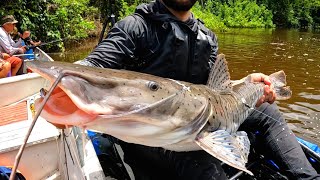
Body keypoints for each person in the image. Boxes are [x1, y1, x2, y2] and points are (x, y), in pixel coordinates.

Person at [76, 0, 320, 179]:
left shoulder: (208, 37)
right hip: (154, 133)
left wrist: (245, 81)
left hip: (203, 116)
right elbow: (91, 66)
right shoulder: (135, 27)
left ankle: (309, 178)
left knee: (268, 109)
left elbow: (216, 88)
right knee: (204, 168)